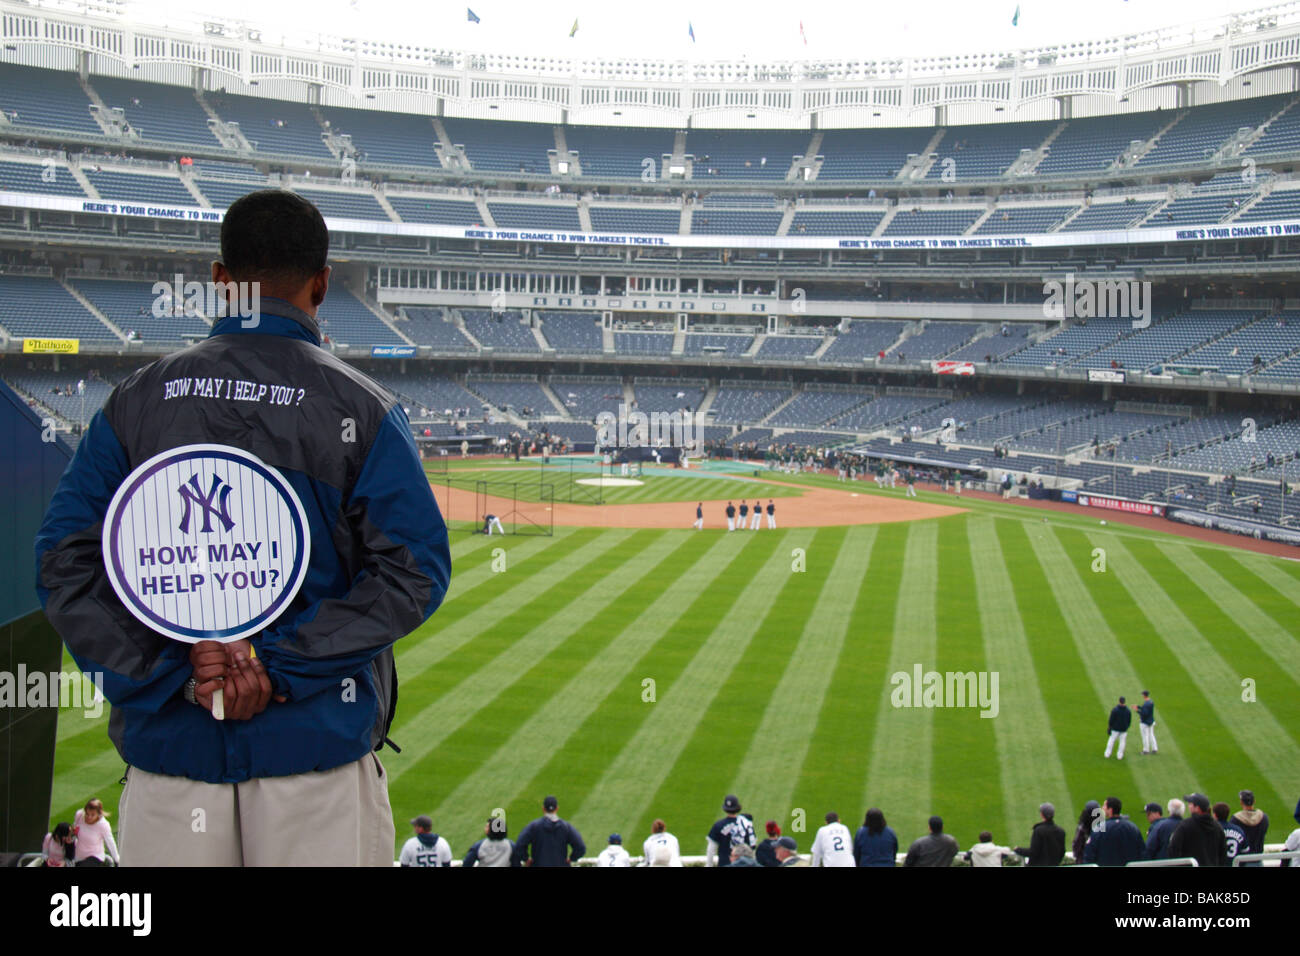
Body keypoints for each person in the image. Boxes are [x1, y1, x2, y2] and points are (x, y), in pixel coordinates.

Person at [35, 191, 452, 867]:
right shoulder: (362, 406)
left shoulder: (136, 401)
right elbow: (415, 570)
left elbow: (63, 561)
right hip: (315, 760)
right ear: (322, 283)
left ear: (220, 279)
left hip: (171, 758)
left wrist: (175, 677)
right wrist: (272, 666)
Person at [512, 795, 586, 867]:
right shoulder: (566, 827)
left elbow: (519, 845)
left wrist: (526, 859)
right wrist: (571, 859)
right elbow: (581, 847)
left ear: (543, 808)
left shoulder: (534, 826)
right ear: (557, 808)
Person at [1082, 796, 1146, 866]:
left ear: (1110, 810)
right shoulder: (1132, 827)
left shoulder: (1099, 828)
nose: (1102, 808)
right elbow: (1142, 852)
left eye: (1104, 806)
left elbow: (1089, 855)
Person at [1168, 794, 1227, 867]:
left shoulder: (1185, 825)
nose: (1188, 806)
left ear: (1197, 808)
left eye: (1190, 804)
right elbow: (1223, 854)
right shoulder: (1217, 827)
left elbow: (1173, 851)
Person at [706, 794, 756, 867]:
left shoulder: (718, 825)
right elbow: (752, 848)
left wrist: (709, 865)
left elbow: (711, 850)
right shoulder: (746, 824)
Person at [1013, 802, 1065, 866]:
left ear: (1042, 815)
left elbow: (1033, 852)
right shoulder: (1061, 831)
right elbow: (1062, 852)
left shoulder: (1039, 831)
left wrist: (1018, 850)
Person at [72, 799, 118, 867]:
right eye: (87, 814)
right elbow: (74, 829)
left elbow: (110, 842)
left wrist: (116, 859)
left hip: (95, 856)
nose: (89, 817)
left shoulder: (103, 825)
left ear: (98, 814)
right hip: (79, 856)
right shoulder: (79, 815)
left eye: (92, 815)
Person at [1231, 790, 1269, 865]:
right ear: (1254, 801)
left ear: (1241, 802)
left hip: (1243, 861)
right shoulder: (1264, 818)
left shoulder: (1235, 819)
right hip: (1258, 860)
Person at [1136, 690, 1158, 755]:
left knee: (1145, 736)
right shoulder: (1151, 702)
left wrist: (1137, 710)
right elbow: (1146, 710)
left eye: (1142, 694)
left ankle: (1146, 750)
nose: (1142, 695)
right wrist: (1139, 707)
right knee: (1151, 735)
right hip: (1151, 721)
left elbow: (1144, 713)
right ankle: (1155, 749)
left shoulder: (1146, 704)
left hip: (1145, 723)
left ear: (1144, 695)